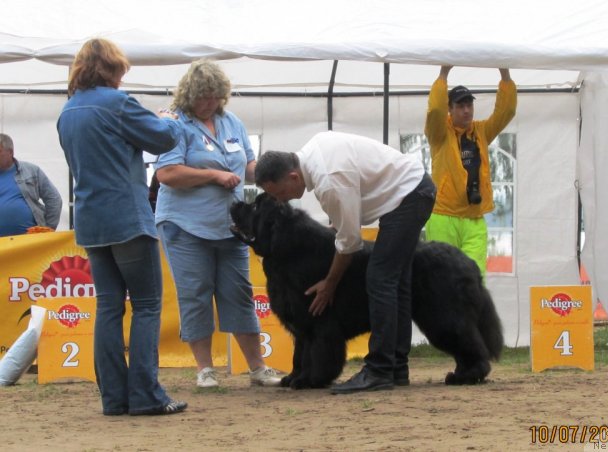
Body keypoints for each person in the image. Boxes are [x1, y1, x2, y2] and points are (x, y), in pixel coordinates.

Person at [56, 38, 187, 416]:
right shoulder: (117, 103)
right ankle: (146, 395)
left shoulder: (68, 111)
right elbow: (162, 138)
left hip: (91, 220)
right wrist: (169, 121)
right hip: (128, 217)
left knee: (108, 308)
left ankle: (114, 397)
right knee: (146, 306)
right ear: (112, 69)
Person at [254, 131, 436, 394]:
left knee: (380, 279)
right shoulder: (315, 148)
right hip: (412, 190)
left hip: (409, 195)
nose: (282, 200)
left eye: (280, 193)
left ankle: (379, 370)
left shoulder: (328, 180)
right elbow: (344, 224)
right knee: (397, 283)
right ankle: (396, 367)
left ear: (293, 176)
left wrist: (329, 283)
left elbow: (351, 241)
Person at [154, 59, 280, 389]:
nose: (209, 103)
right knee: (196, 293)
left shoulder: (232, 122)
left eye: (215, 96)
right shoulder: (175, 124)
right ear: (188, 95)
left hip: (231, 226)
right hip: (185, 226)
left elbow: (248, 165)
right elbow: (166, 174)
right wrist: (213, 174)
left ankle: (257, 367)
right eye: (203, 97)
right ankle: (205, 369)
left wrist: (270, 174)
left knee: (239, 293)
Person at [425, 65, 517, 278]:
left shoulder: (481, 132)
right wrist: (443, 75)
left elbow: (506, 112)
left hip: (474, 217)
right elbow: (435, 111)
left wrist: (505, 75)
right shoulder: (438, 134)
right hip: (443, 216)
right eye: (460, 106)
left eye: (469, 105)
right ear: (450, 108)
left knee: (474, 279)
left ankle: (471, 313)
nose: (467, 110)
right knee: (441, 277)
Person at [0, 133, 62, 237]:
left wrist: (48, 230)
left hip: (30, 243)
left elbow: (54, 199)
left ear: (10, 152)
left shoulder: (31, 171)